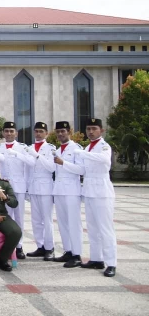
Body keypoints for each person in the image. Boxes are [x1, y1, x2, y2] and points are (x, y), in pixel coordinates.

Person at [74, 118, 117, 277]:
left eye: (94, 128)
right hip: (90, 190)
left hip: (102, 192)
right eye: (88, 129)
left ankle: (111, 262)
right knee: (92, 227)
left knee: (105, 228)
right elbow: (82, 169)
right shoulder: (88, 147)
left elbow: (105, 160)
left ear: (101, 130)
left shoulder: (104, 146)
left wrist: (83, 153)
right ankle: (96, 258)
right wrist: (63, 163)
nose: (90, 132)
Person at [0, 121, 34, 259]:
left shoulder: (23, 148)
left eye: (12, 131)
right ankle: (8, 245)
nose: (9, 133)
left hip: (19, 186)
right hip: (4, 187)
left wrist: (17, 154)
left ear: (16, 133)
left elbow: (30, 164)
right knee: (6, 217)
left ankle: (19, 245)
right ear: (3, 133)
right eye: (6, 131)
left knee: (19, 217)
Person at [52, 121, 85, 268]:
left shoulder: (76, 149)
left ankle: (77, 254)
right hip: (59, 190)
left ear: (69, 132)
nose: (60, 134)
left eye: (63, 131)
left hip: (72, 190)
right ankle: (68, 250)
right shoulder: (58, 150)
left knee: (74, 223)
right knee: (63, 223)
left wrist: (63, 162)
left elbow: (81, 170)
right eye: (58, 132)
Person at [25, 122, 56, 261]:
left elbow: (51, 167)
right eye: (36, 131)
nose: (38, 133)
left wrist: (37, 156)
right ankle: (40, 246)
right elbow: (27, 169)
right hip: (33, 187)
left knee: (47, 220)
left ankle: (50, 248)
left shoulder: (50, 148)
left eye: (41, 131)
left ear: (46, 133)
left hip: (45, 187)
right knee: (36, 220)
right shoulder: (30, 148)